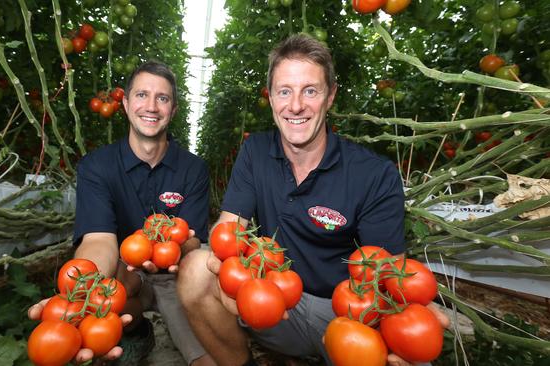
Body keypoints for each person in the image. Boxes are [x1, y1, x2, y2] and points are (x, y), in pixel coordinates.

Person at [177, 34, 449, 366]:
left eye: (310, 90)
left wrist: (403, 325)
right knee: (194, 271)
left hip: (346, 317)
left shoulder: (373, 174)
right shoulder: (255, 151)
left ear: (330, 96)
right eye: (284, 91)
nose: (295, 106)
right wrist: (222, 270)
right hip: (273, 302)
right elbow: (227, 234)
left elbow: (388, 277)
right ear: (272, 98)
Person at [29, 61, 216, 366]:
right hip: (123, 272)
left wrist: (167, 251)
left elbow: (193, 241)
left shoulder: (193, 168)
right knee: (114, 286)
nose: (152, 106)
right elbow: (98, 239)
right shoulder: (96, 166)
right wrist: (81, 294)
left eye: (163, 98)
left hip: (174, 277)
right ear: (126, 104)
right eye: (142, 95)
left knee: (205, 359)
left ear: (174, 110)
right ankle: (138, 331)